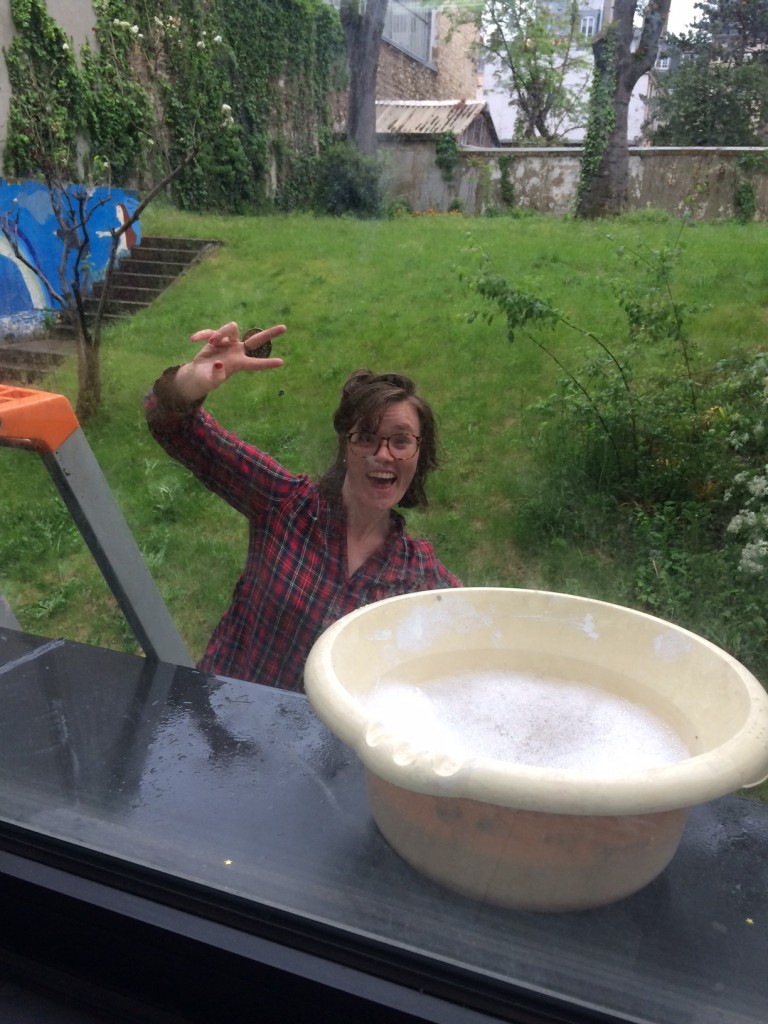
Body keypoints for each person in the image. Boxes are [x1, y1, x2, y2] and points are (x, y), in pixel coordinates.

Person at [145, 321, 461, 691]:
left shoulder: (421, 577)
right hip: (221, 724)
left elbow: (478, 649)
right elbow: (174, 428)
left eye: (401, 441)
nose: (383, 454)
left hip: (321, 747)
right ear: (345, 447)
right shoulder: (284, 504)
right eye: (366, 438)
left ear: (418, 455)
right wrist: (191, 381)